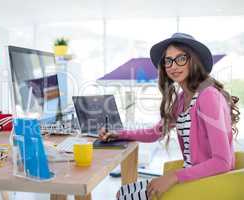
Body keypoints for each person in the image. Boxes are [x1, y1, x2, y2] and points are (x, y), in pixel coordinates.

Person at [99, 33, 240, 200]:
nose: (173, 66)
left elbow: (222, 162)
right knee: (121, 193)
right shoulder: (182, 99)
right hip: (192, 178)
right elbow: (155, 132)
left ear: (193, 60)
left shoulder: (207, 96)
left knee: (125, 197)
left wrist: (173, 176)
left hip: (209, 183)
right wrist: (119, 134)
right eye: (168, 61)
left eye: (181, 59)